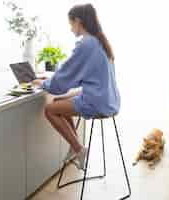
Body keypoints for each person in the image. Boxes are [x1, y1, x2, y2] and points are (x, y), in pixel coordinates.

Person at [33, 3, 120, 170]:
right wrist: (52, 80)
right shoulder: (100, 41)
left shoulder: (86, 44)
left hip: (97, 102)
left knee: (50, 109)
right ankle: (75, 147)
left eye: (70, 24)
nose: (71, 29)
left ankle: (79, 149)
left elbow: (63, 81)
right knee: (58, 101)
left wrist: (43, 83)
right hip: (108, 99)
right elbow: (78, 73)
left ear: (78, 21)